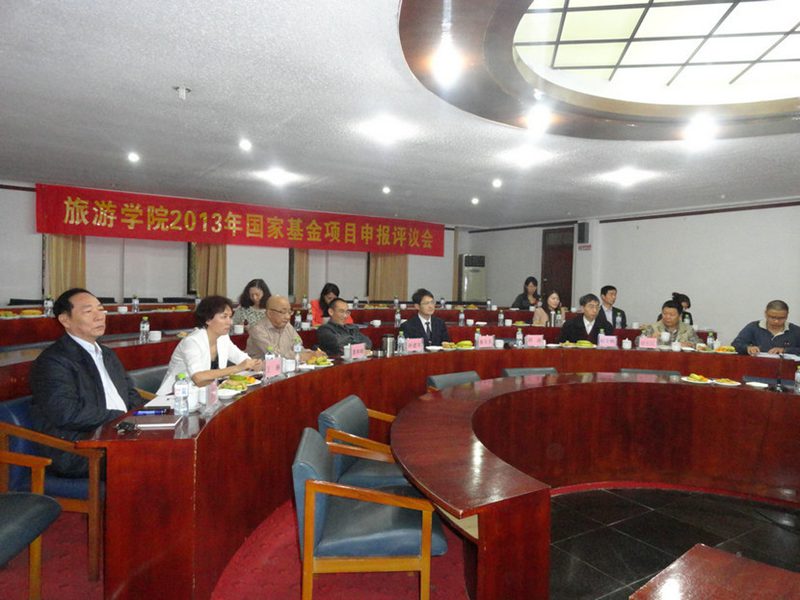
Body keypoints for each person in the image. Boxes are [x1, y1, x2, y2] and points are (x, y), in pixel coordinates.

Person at [29, 288, 144, 477]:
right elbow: (67, 413)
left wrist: (154, 414)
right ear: (65, 320)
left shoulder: (107, 354)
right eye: (88, 311)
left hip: (118, 433)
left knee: (175, 447)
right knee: (155, 459)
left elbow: (129, 395)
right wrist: (121, 419)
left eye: (101, 309)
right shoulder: (53, 361)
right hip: (79, 448)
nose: (99, 316)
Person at [157, 296, 262, 395]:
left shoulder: (223, 337)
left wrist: (255, 364)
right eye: (224, 317)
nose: (230, 322)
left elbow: (241, 358)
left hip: (206, 393)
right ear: (208, 320)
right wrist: (238, 368)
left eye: (230, 317)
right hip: (176, 396)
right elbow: (198, 378)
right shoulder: (192, 341)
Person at [246, 295, 327, 361]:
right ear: (270, 313)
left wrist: (312, 353)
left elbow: (298, 347)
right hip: (260, 372)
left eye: (289, 312)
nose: (288, 317)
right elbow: (275, 355)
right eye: (283, 312)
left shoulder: (287, 326)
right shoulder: (257, 330)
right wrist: (302, 356)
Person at [731, 300, 800, 356]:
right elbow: (735, 345)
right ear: (765, 314)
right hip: (757, 366)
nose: (776, 321)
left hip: (786, 367)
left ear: (787, 315)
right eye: (772, 317)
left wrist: (784, 350)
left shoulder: (796, 330)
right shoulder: (753, 327)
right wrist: (748, 348)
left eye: (781, 318)